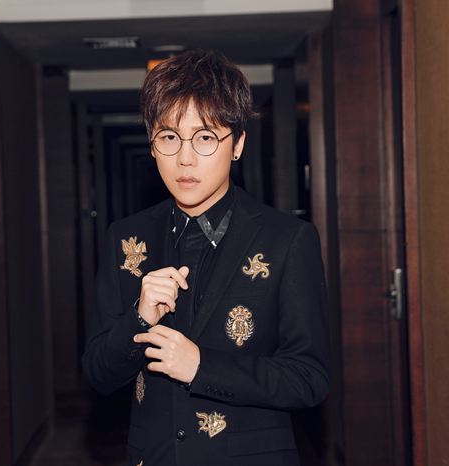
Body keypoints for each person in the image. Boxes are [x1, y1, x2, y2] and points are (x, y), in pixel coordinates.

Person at [82, 49, 329, 466]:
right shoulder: (126, 239)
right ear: (152, 143)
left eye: (206, 137)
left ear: (237, 144)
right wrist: (138, 318)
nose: (185, 158)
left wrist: (201, 367)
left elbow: (309, 379)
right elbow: (98, 374)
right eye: (169, 137)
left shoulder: (288, 239)